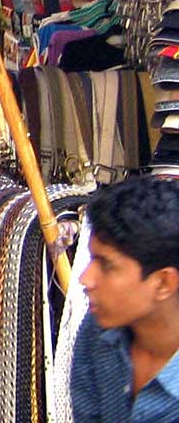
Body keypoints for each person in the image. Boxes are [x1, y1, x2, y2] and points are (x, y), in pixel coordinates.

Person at [71, 178, 179, 422]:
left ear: (163, 283)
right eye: (91, 260)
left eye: (106, 265)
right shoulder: (99, 331)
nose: (86, 279)